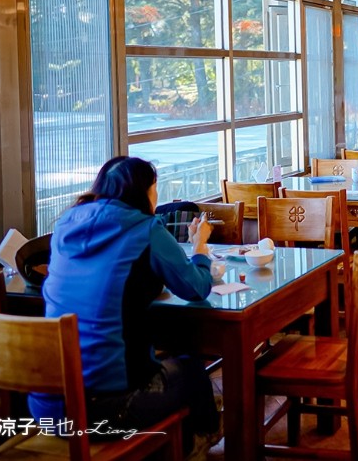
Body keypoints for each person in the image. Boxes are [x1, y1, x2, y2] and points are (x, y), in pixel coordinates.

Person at [29, 157, 222, 458]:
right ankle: (198, 444)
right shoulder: (144, 228)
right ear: (145, 192)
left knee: (169, 373)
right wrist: (199, 247)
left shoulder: (68, 222)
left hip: (46, 408)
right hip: (107, 412)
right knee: (192, 371)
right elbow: (196, 288)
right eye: (155, 189)